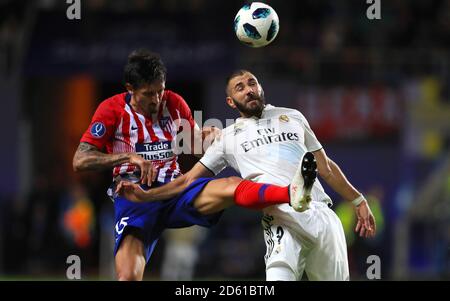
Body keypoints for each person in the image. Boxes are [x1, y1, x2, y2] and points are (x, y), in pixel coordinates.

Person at [116, 70, 377, 281]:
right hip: (281, 216)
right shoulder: (227, 137)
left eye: (252, 83)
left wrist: (358, 200)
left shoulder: (293, 117)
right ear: (231, 102)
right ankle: (290, 193)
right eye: (239, 87)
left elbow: (326, 168)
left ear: (261, 88)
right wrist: (148, 195)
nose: (248, 89)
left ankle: (300, 194)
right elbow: (187, 180)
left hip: (321, 213)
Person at [73, 51, 310, 281]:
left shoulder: (173, 102)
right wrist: (128, 157)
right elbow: (80, 160)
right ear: (130, 89)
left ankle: (291, 193)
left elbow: (197, 145)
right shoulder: (111, 109)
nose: (156, 99)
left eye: (160, 90)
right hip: (136, 197)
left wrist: (208, 136)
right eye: (148, 94)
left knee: (231, 185)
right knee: (128, 277)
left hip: (175, 190)